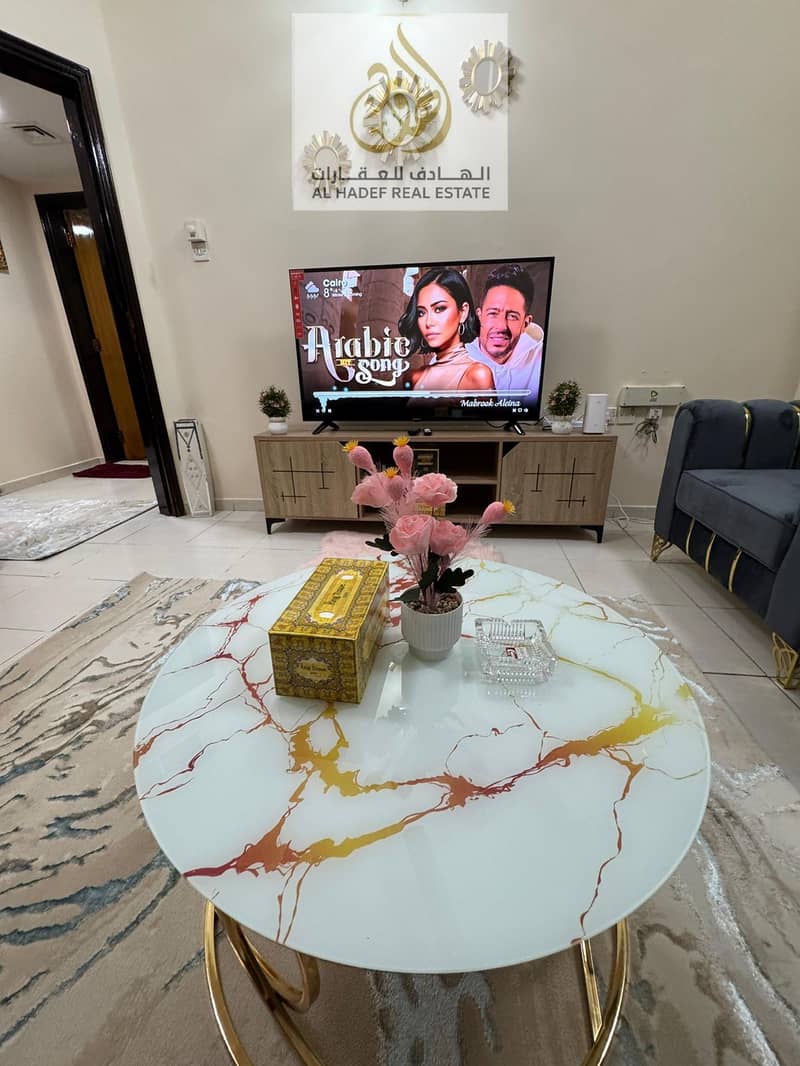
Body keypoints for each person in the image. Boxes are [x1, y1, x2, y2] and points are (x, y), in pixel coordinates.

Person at [398, 267, 495, 398]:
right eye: (421, 312)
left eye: (439, 309)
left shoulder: (477, 376)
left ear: (463, 312)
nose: (428, 322)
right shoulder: (413, 377)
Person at [466, 264, 544, 405]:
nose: (501, 326)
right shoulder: (449, 361)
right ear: (480, 315)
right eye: (493, 313)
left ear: (526, 323)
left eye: (512, 316)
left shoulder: (541, 357)